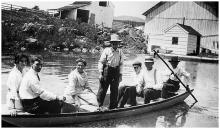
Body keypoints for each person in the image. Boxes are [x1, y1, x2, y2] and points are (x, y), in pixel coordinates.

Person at [97, 33, 124, 110]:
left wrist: (120, 75)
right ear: (111, 43)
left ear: (118, 44)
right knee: (102, 89)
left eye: (116, 43)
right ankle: (100, 105)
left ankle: (112, 106)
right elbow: (101, 62)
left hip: (116, 72)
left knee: (115, 90)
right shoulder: (106, 50)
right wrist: (100, 73)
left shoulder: (120, 52)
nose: (115, 44)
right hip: (107, 71)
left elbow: (121, 64)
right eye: (113, 43)